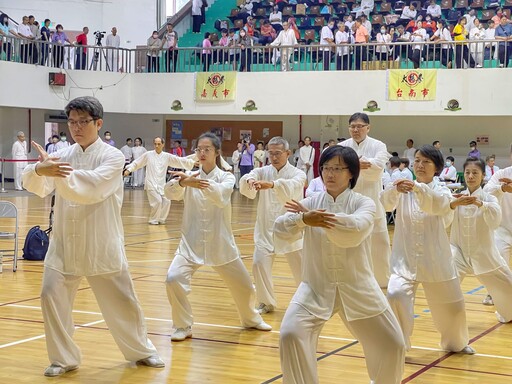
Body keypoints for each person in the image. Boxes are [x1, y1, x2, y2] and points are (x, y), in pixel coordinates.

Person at [21, 96, 164, 377]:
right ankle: (63, 359)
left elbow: (92, 188)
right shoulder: (62, 155)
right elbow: (37, 186)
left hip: (102, 240)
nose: (76, 127)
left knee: (122, 302)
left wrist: (55, 173)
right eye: (72, 122)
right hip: (65, 242)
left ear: (98, 123)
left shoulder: (112, 156)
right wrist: (40, 168)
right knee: (51, 295)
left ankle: (142, 350)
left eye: (83, 121)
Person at [276, 145, 406, 384]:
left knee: (394, 344)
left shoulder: (364, 203)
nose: (330, 174)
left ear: (351, 174)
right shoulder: (311, 201)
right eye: (325, 168)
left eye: (337, 168)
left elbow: (355, 229)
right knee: (290, 334)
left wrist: (316, 218)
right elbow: (280, 229)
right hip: (315, 286)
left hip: (358, 286)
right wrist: (304, 218)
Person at [164, 132, 272, 341]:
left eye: (207, 149)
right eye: (198, 149)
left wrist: (199, 184)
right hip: (190, 243)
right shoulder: (189, 177)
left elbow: (221, 197)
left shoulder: (227, 176)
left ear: (216, 153)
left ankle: (250, 319)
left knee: (244, 286)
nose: (202, 153)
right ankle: (182, 325)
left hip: (221, 244)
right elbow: (170, 193)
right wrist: (183, 184)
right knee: (173, 279)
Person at [381, 145, 474, 354]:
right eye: (417, 160)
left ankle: (456, 343)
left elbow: (438, 206)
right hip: (404, 259)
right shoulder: (402, 186)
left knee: (453, 306)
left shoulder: (440, 189)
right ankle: (399, 346)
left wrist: (418, 189)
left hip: (436, 259)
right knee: (395, 294)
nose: (420, 165)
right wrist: (394, 190)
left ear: (437, 168)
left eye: (426, 162)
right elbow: (386, 204)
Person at [240, 137, 306, 314]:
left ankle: (308, 301)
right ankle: (265, 301)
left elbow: (292, 187)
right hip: (265, 227)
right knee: (258, 264)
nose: (274, 157)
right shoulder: (262, 171)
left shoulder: (298, 174)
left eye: (278, 153)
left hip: (290, 227)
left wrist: (272, 185)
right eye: (271, 153)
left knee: (302, 268)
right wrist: (249, 180)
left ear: (288, 153)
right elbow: (250, 177)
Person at [451, 157, 512, 324]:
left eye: (475, 173)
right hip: (459, 255)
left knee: (509, 293)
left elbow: (494, 221)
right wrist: (453, 204)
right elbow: (444, 217)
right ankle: (454, 326)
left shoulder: (489, 198)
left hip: (484, 256)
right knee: (447, 291)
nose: (470, 176)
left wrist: (481, 204)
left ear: (483, 175)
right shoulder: (457, 198)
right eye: (468, 173)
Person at [340, 113, 391, 288]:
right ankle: (351, 280)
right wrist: (357, 164)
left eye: (360, 126)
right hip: (349, 203)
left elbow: (376, 170)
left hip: (373, 201)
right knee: (349, 245)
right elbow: (339, 170)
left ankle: (383, 283)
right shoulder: (342, 147)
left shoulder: (379, 145)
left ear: (368, 128)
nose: (356, 130)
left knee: (380, 246)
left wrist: (350, 165)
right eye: (353, 126)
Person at [124, 137, 195, 225]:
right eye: (155, 144)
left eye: (159, 144)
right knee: (158, 201)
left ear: (163, 145)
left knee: (167, 201)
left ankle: (161, 219)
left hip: (161, 184)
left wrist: (193, 161)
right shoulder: (148, 155)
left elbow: (180, 160)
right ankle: (153, 220)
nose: (157, 146)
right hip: (150, 183)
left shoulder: (167, 156)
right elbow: (137, 162)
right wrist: (129, 170)